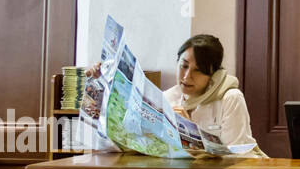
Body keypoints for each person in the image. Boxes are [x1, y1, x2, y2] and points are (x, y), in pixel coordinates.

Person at [86, 32, 261, 154]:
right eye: (183, 66)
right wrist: (104, 84)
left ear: (214, 74)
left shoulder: (231, 98)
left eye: (198, 70)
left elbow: (238, 157)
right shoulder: (166, 98)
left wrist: (192, 130)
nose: (187, 76)